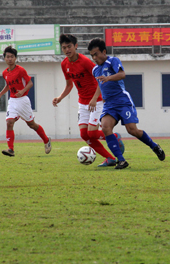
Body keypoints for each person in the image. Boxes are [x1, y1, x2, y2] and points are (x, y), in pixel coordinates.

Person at [88, 38, 166, 170]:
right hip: (109, 104)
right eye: (92, 56)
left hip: (122, 101)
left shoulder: (113, 61)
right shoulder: (95, 70)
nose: (94, 58)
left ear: (104, 51)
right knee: (106, 127)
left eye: (96, 54)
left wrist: (108, 78)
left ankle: (154, 146)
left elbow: (122, 74)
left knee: (132, 130)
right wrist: (95, 98)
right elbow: (100, 85)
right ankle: (122, 160)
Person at [52, 34, 124, 167]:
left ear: (76, 46)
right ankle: (110, 158)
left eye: (69, 46)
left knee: (92, 132)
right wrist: (60, 98)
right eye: (64, 48)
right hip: (83, 103)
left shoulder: (85, 61)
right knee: (84, 135)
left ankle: (114, 137)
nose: (67, 50)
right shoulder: (64, 64)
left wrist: (94, 98)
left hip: (97, 101)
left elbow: (100, 80)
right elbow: (69, 85)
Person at [0, 46, 51, 157]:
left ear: (15, 58)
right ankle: (10, 149)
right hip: (13, 101)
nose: (9, 59)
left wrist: (23, 91)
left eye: (12, 57)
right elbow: (8, 86)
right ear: (4, 58)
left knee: (32, 125)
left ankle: (46, 140)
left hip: (23, 101)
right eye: (7, 57)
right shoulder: (4, 73)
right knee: (9, 122)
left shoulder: (20, 70)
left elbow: (30, 83)